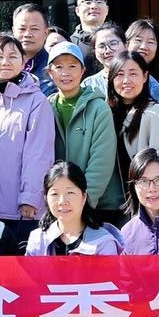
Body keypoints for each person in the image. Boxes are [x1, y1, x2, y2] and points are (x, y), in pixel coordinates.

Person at [0, 32, 53, 243]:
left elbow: (39, 154)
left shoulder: (37, 101)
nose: (5, 62)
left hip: (22, 210)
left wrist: (30, 198)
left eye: (12, 56)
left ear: (24, 62)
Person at [43, 40, 119, 224]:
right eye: (59, 67)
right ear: (50, 72)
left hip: (98, 205)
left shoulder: (98, 108)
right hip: (61, 207)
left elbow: (102, 160)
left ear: (83, 71)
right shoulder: (45, 107)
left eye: (72, 66)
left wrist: (84, 203)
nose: (66, 72)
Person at [100, 54, 159, 216]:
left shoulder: (155, 114)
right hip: (112, 206)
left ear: (145, 76)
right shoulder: (106, 113)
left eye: (133, 73)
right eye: (120, 74)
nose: (126, 80)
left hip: (146, 207)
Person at [25, 161, 124, 256]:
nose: (62, 201)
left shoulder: (103, 243)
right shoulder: (37, 240)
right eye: (55, 194)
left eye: (70, 193)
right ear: (46, 198)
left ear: (84, 197)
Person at [70, 0, 110, 74]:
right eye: (87, 2)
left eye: (99, 1)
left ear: (107, 9)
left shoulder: (120, 42)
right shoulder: (70, 43)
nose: (94, 6)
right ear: (77, 11)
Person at [12, 2, 54, 85]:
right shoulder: (4, 66)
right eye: (22, 29)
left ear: (46, 32)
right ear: (13, 31)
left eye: (34, 29)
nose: (27, 34)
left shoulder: (54, 68)